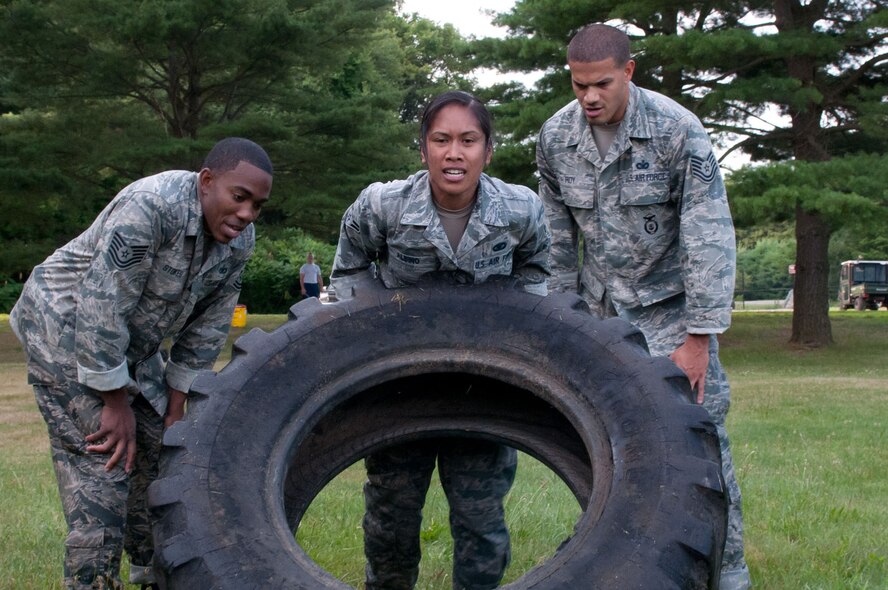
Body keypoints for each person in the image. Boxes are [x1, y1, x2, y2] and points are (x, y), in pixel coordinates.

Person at [535, 24, 751, 589]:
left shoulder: (677, 130)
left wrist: (699, 336)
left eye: (601, 83)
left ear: (628, 72)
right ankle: (616, 564)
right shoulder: (557, 136)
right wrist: (561, 322)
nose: (589, 97)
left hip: (671, 312)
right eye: (579, 84)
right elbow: (556, 238)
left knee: (702, 442)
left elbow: (708, 233)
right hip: (599, 316)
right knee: (603, 441)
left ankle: (724, 573)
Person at [9, 137, 273, 590]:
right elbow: (101, 302)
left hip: (131, 345)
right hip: (64, 329)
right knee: (105, 457)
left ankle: (158, 573)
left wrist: (175, 409)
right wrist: (114, 403)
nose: (247, 214)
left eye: (258, 205)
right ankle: (92, 581)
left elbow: (206, 330)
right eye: (239, 197)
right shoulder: (150, 206)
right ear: (207, 181)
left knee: (162, 451)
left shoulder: (238, 240)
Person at [331, 90, 550, 590]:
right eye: (442, 139)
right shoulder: (383, 205)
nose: (455, 153)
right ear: (424, 148)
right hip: (399, 388)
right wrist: (377, 333)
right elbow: (349, 269)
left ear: (488, 151)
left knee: (480, 521)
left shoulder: (520, 211)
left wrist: (513, 336)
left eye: (469, 140)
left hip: (482, 389)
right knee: (391, 519)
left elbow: (538, 275)